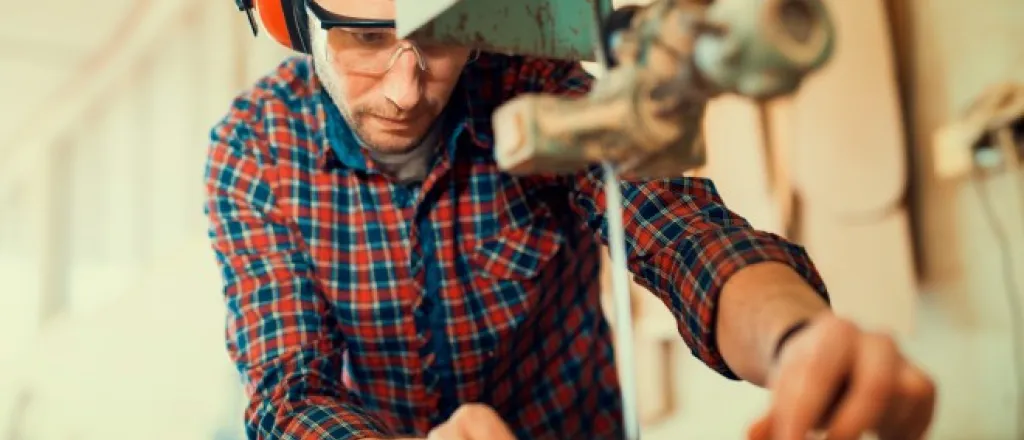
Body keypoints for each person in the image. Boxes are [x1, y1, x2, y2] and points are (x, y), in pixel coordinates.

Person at [203, 1, 936, 439]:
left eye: (437, 36)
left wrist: (794, 339)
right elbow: (289, 391)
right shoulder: (254, 148)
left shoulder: (534, 81)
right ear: (288, 15)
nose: (404, 88)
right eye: (365, 38)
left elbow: (678, 231)